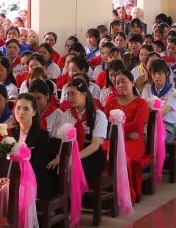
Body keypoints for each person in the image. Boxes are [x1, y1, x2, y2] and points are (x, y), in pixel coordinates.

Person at [104, 67, 151, 203]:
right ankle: (107, 190)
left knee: (120, 154)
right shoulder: (112, 101)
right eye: (117, 83)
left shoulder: (141, 103)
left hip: (135, 143)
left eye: (123, 81)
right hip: (116, 139)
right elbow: (105, 122)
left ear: (132, 82)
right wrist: (125, 133)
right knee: (101, 149)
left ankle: (126, 193)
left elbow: (137, 125)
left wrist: (117, 130)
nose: (120, 85)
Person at [12, 91, 60, 201]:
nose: (21, 112)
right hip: (12, 177)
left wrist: (17, 178)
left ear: (34, 112)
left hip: (33, 179)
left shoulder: (42, 135)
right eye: (18, 108)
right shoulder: (11, 133)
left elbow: (38, 166)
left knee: (8, 190)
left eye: (26, 109)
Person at [63, 77, 106, 183]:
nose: (70, 98)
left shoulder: (98, 115)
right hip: (71, 150)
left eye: (73, 94)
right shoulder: (67, 114)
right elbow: (63, 140)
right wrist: (60, 156)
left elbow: (95, 145)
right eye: (68, 94)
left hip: (91, 154)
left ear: (84, 94)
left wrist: (75, 157)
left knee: (74, 168)